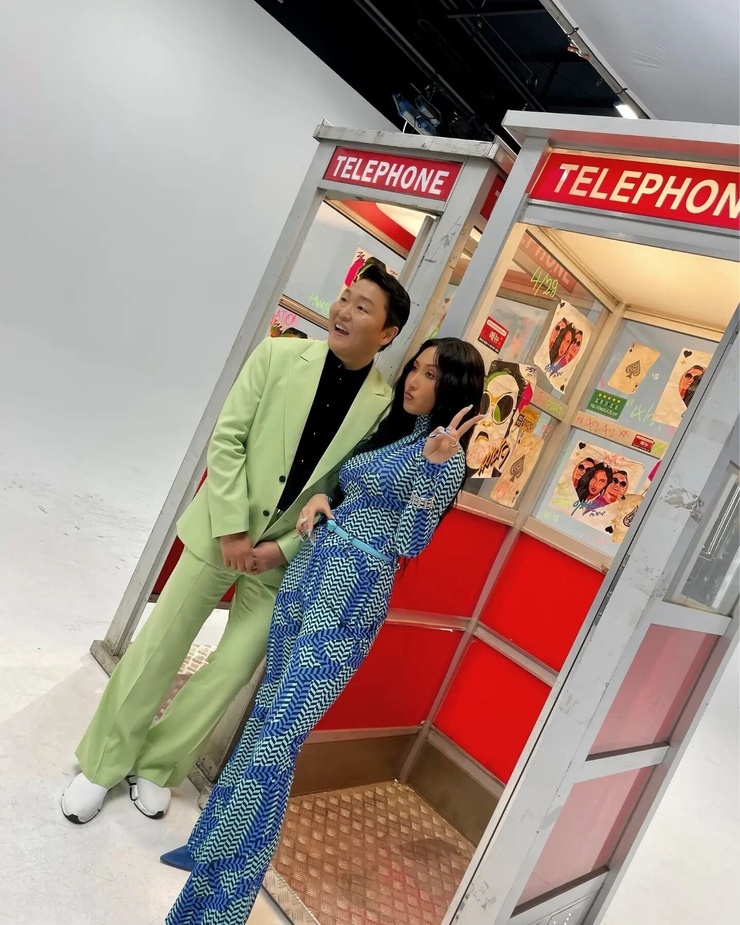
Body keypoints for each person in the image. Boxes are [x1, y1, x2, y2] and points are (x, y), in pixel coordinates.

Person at [61, 264, 411, 825]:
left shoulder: (381, 407)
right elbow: (228, 440)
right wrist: (232, 529)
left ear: (388, 333)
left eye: (362, 307)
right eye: (345, 298)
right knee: (160, 648)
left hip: (282, 559)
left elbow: (347, 492)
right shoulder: (277, 356)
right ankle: (103, 763)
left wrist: (284, 549)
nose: (343, 311)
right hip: (220, 533)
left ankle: (158, 765)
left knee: (232, 668)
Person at [159, 338, 485, 925]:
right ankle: (208, 844)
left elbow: (409, 542)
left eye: (432, 374)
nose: (414, 380)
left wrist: (436, 470)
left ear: (456, 387)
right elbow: (344, 487)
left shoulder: (443, 457)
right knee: (264, 717)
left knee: (277, 743)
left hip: (350, 599)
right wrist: (317, 501)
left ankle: (220, 903)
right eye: (415, 367)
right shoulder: (395, 431)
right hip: (310, 574)